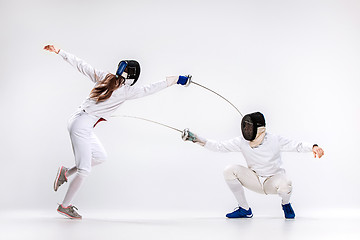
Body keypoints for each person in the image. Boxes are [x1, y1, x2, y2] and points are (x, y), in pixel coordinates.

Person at [44, 45, 190, 219]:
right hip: (81, 126)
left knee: (99, 157)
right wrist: (175, 80)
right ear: (133, 76)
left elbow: (81, 65)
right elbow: (150, 88)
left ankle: (65, 173)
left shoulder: (104, 76)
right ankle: (64, 206)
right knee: (84, 170)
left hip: (80, 122)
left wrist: (60, 52)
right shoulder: (127, 91)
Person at [181, 112, 324, 219]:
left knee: (286, 184)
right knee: (229, 170)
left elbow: (297, 145)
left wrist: (313, 147)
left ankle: (285, 204)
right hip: (254, 179)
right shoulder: (241, 141)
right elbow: (218, 146)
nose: (247, 130)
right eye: (246, 127)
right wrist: (195, 139)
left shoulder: (274, 139)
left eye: (250, 127)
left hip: (273, 181)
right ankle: (244, 209)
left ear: (260, 129)